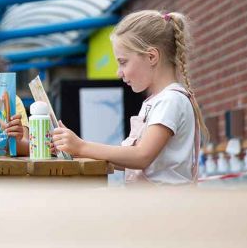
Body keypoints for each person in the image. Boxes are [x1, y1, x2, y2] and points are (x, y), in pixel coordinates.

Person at [52, 10, 207, 185]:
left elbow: (141, 156)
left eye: (123, 62)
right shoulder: (157, 101)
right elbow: (130, 160)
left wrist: (82, 146)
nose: (119, 73)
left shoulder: (171, 101)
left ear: (151, 57)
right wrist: (74, 150)